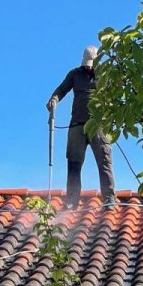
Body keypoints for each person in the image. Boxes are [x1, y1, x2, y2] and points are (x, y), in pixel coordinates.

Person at [46, 45, 116, 209]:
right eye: (86, 63)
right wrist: (54, 100)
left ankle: (109, 199)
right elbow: (61, 89)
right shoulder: (75, 74)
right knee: (74, 163)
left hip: (98, 125)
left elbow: (115, 93)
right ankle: (71, 200)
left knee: (104, 161)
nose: (87, 66)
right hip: (77, 125)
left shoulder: (105, 74)